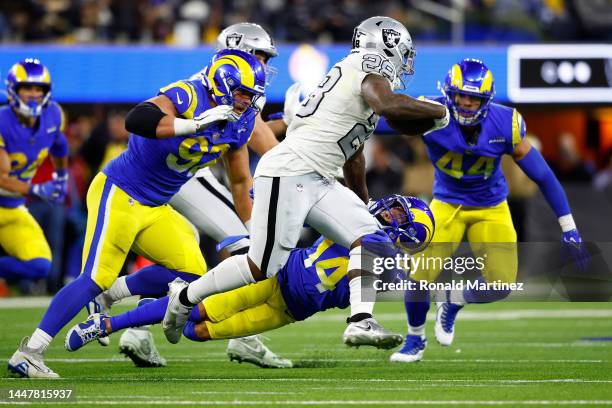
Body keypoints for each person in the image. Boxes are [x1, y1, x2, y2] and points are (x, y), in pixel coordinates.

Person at [162, 16, 449, 349]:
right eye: (402, 49)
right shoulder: (369, 67)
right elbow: (386, 105)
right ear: (385, 44)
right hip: (292, 170)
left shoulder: (360, 80)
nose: (405, 58)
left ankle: (360, 321)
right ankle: (185, 296)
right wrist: (438, 111)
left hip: (319, 176)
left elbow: (356, 156)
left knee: (372, 237)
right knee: (262, 266)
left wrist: (363, 203)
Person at [8, 49, 266, 379]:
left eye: (252, 95)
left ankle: (112, 294)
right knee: (94, 276)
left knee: (191, 273)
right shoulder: (189, 95)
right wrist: (195, 123)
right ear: (222, 84)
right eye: (242, 92)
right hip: (120, 191)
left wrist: (253, 228)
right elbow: (136, 119)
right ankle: (29, 353)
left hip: (156, 205)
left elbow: (241, 180)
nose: (246, 101)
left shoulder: (241, 120)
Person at [96, 22, 293, 369]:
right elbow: (268, 147)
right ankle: (242, 337)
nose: (263, 63)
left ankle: (135, 323)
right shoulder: (222, 92)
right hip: (181, 178)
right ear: (238, 53)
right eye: (259, 55)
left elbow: (253, 137)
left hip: (171, 177)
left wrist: (289, 123)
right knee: (246, 248)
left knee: (186, 262)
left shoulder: (231, 90)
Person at [65, 196, 435, 361]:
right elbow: (310, 209)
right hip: (276, 274)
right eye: (396, 208)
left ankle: (156, 305)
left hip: (289, 312)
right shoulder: (357, 224)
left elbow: (406, 286)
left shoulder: (389, 270)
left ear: (410, 235)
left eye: (400, 216)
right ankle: (106, 324)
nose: (390, 212)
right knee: (195, 312)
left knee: (197, 332)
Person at [390, 58, 589, 363]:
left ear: (487, 99)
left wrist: (569, 227)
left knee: (501, 285)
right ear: (449, 94)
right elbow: (381, 121)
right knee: (419, 277)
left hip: (490, 206)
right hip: (446, 203)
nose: (467, 103)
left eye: (475, 98)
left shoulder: (505, 123)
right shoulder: (427, 114)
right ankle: (415, 339)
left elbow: (544, 176)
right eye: (462, 96)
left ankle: (453, 299)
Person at [0, 58, 69, 285]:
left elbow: (60, 145)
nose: (33, 93)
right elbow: (2, 178)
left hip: (11, 208)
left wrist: (61, 177)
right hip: (10, 195)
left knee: (40, 265)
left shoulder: (53, 115)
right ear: (13, 90)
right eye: (27, 87)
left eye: (38, 88)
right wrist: (37, 188)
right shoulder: (2, 121)